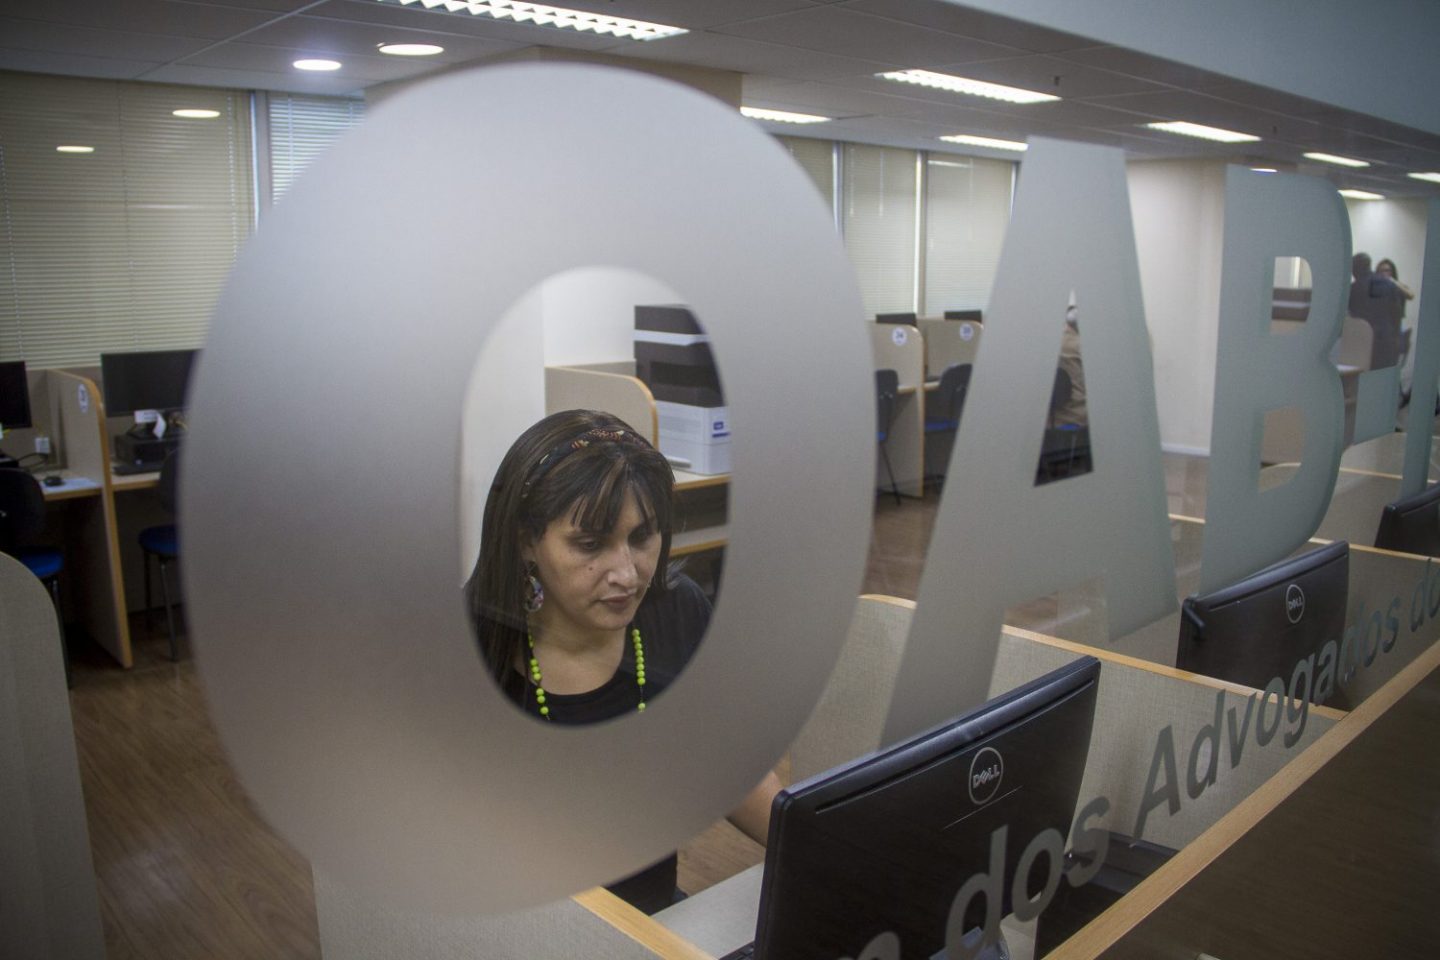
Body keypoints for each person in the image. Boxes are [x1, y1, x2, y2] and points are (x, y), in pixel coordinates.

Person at [465, 408, 779, 914]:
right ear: (527, 541)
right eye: (590, 544)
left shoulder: (675, 610)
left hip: (652, 921)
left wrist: (823, 849)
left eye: (641, 537)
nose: (627, 574)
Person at [1348, 252, 1406, 369]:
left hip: (1362, 343)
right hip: (1387, 340)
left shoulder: (1354, 288)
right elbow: (1397, 313)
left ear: (1355, 269)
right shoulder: (1388, 284)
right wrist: (1396, 338)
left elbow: (1350, 316)